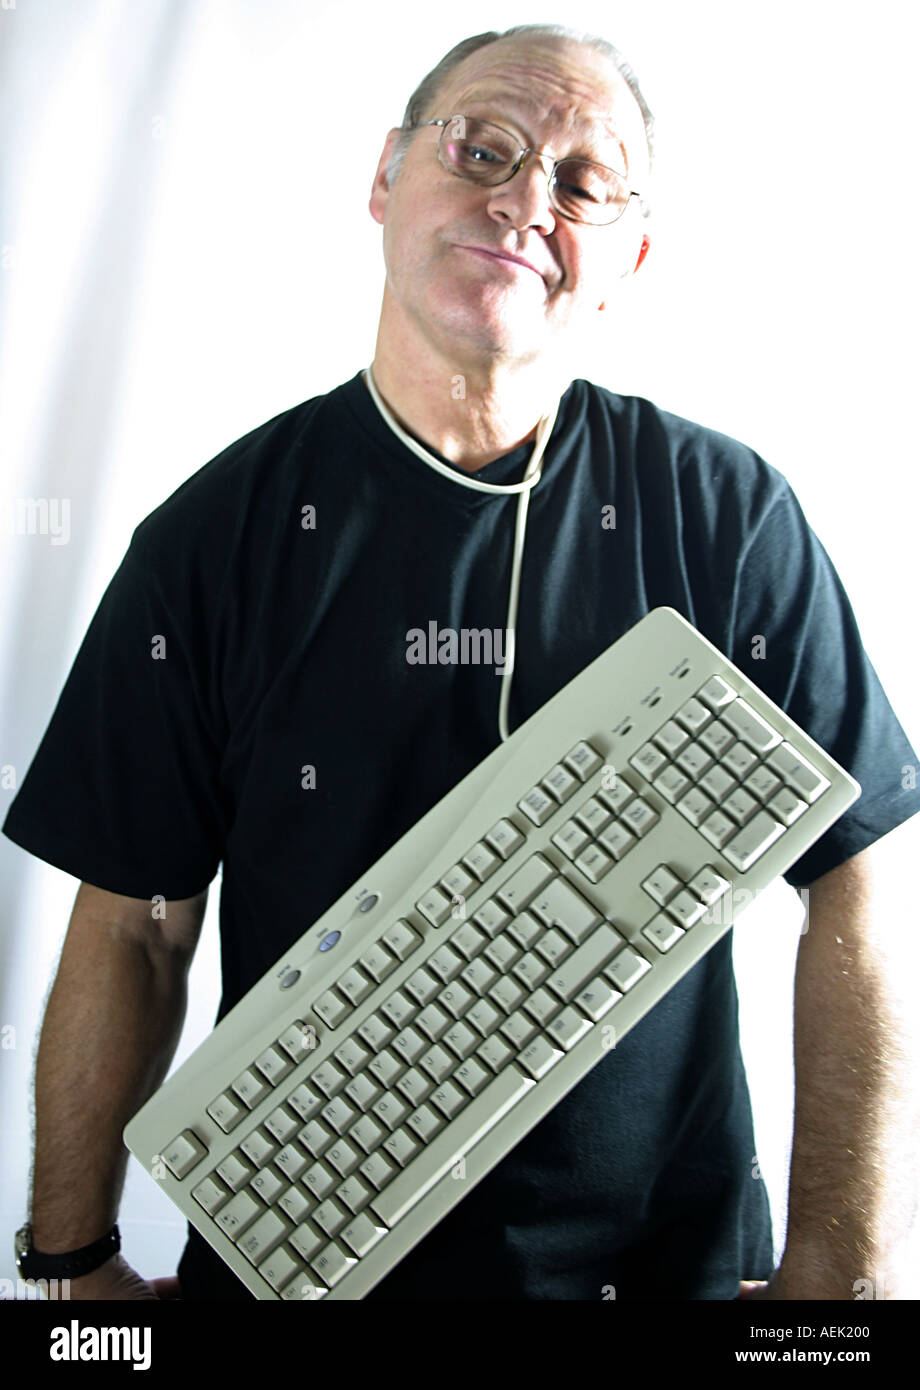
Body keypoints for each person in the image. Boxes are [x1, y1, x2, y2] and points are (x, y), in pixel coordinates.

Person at [5, 24, 919, 1302]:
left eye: (583, 184)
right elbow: (134, 930)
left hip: (664, 1276)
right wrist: (70, 1259)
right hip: (303, 1279)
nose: (523, 199)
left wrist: (843, 1264)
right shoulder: (215, 541)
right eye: (480, 147)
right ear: (384, 178)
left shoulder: (723, 515)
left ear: (626, 264)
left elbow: (859, 881)